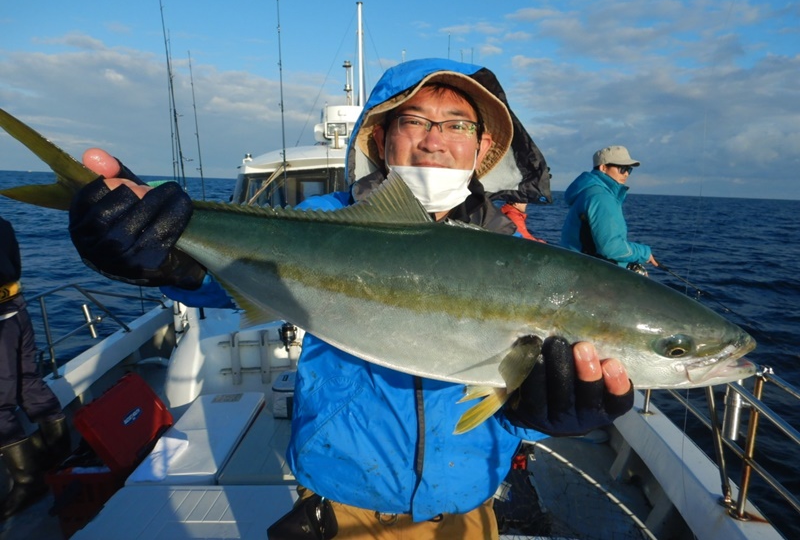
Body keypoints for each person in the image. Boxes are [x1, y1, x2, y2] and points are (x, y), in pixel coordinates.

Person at [67, 58, 634, 539]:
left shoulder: (519, 254)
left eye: (457, 124)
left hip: (469, 510)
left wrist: (545, 415)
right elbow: (218, 274)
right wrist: (159, 246)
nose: (435, 139)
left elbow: (526, 402)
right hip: (341, 507)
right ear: (382, 137)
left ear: (483, 147)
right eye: (414, 120)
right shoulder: (322, 223)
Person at [0, 216, 71, 520]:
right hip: (17, 308)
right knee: (30, 382)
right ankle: (59, 454)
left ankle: (28, 482)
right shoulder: (3, 223)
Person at [561, 145, 658, 271]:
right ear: (603, 168)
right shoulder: (601, 197)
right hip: (586, 272)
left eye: (629, 169)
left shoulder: (590, 191)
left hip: (575, 267)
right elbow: (610, 248)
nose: (627, 173)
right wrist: (644, 253)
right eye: (622, 169)